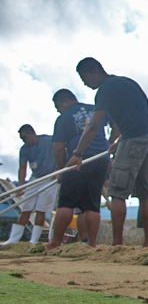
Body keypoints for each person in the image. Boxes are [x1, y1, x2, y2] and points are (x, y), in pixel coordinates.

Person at [68, 57, 148, 246]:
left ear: (95, 72)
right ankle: (147, 244)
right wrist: (120, 140)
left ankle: (117, 244)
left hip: (135, 138)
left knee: (117, 192)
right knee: (144, 193)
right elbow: (138, 116)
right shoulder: (126, 82)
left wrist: (78, 154)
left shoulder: (105, 89)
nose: (85, 83)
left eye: (84, 77)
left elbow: (94, 125)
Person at [47, 89, 116, 249]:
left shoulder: (63, 117)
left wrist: (61, 170)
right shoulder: (96, 109)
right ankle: (92, 244)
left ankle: (56, 242)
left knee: (66, 203)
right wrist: (109, 143)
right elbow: (117, 126)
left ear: (64, 101)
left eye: (57, 106)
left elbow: (58, 148)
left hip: (76, 159)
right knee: (92, 204)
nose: (58, 110)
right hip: (100, 158)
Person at [2, 125, 58, 245]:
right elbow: (22, 168)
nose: (24, 141)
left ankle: (34, 240)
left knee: (41, 209)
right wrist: (21, 186)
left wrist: (59, 168)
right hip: (35, 178)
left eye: (25, 137)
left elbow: (62, 150)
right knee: (26, 208)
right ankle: (13, 239)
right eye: (22, 139)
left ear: (32, 134)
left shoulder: (48, 140)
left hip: (50, 178)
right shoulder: (24, 149)